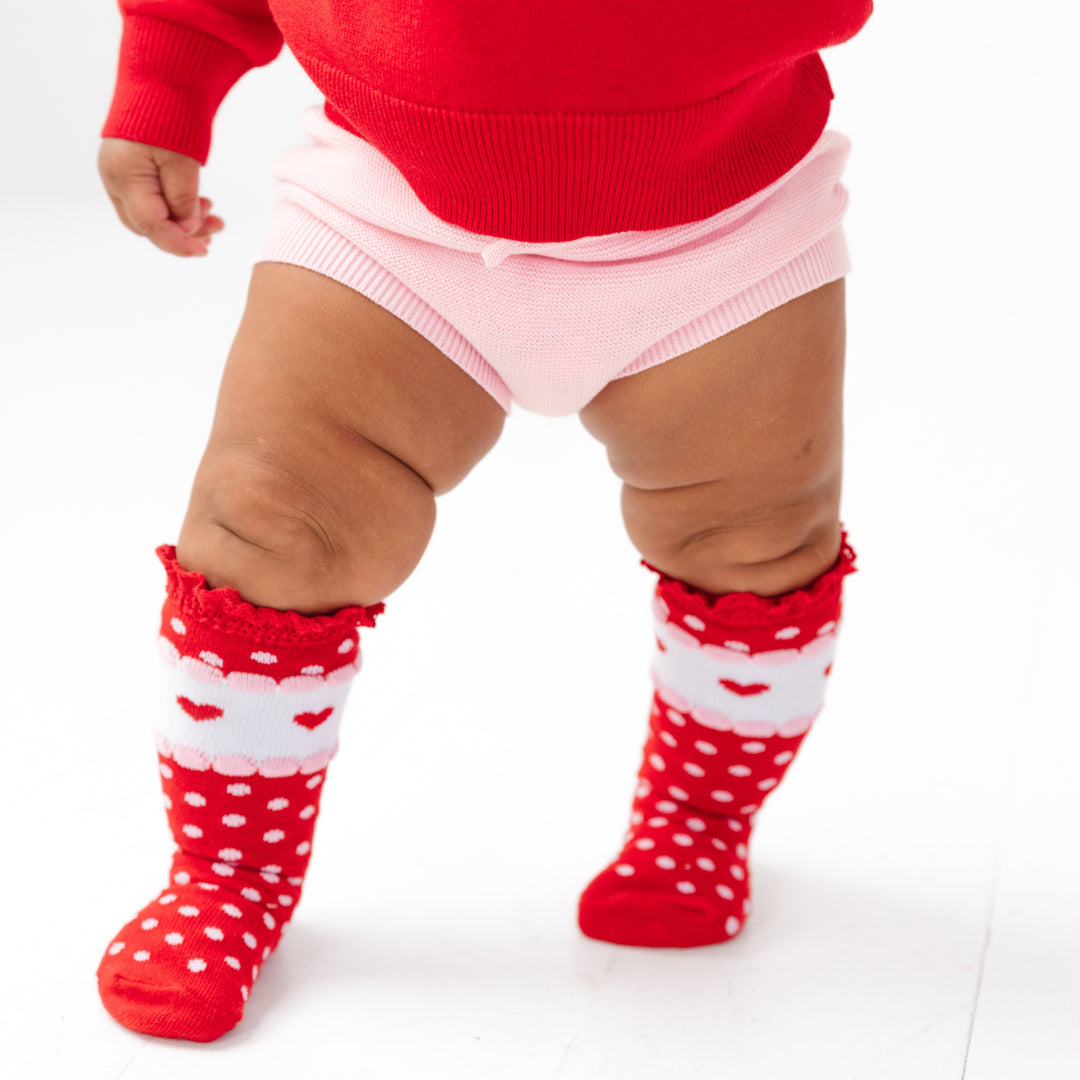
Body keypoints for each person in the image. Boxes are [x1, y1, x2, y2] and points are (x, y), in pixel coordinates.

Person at [94, 0, 872, 1042]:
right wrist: (169, 65)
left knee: (757, 543)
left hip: (723, 221)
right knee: (268, 524)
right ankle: (229, 871)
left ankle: (699, 819)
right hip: (392, 208)